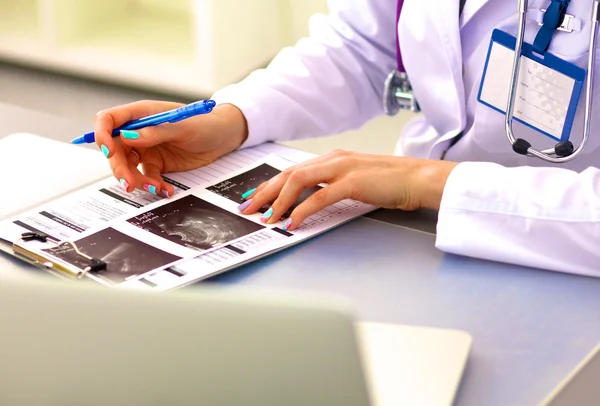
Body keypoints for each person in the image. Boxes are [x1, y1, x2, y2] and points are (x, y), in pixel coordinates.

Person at [94, 0, 599, 278]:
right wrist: (235, 118)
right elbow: (364, 45)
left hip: (562, 250)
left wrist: (430, 181)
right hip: (415, 229)